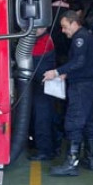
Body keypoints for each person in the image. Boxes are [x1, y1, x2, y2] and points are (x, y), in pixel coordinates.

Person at [43, 10, 93, 176]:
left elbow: (79, 61)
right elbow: (84, 63)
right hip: (89, 84)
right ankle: (90, 158)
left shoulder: (79, 39)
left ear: (74, 23)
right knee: (88, 121)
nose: (63, 30)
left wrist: (57, 71)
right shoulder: (87, 36)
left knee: (73, 122)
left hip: (81, 87)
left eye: (65, 26)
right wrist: (67, 73)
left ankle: (71, 163)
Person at [28, 27, 57, 161]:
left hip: (43, 85)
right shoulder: (38, 39)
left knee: (42, 117)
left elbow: (34, 65)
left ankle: (45, 150)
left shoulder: (44, 41)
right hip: (39, 85)